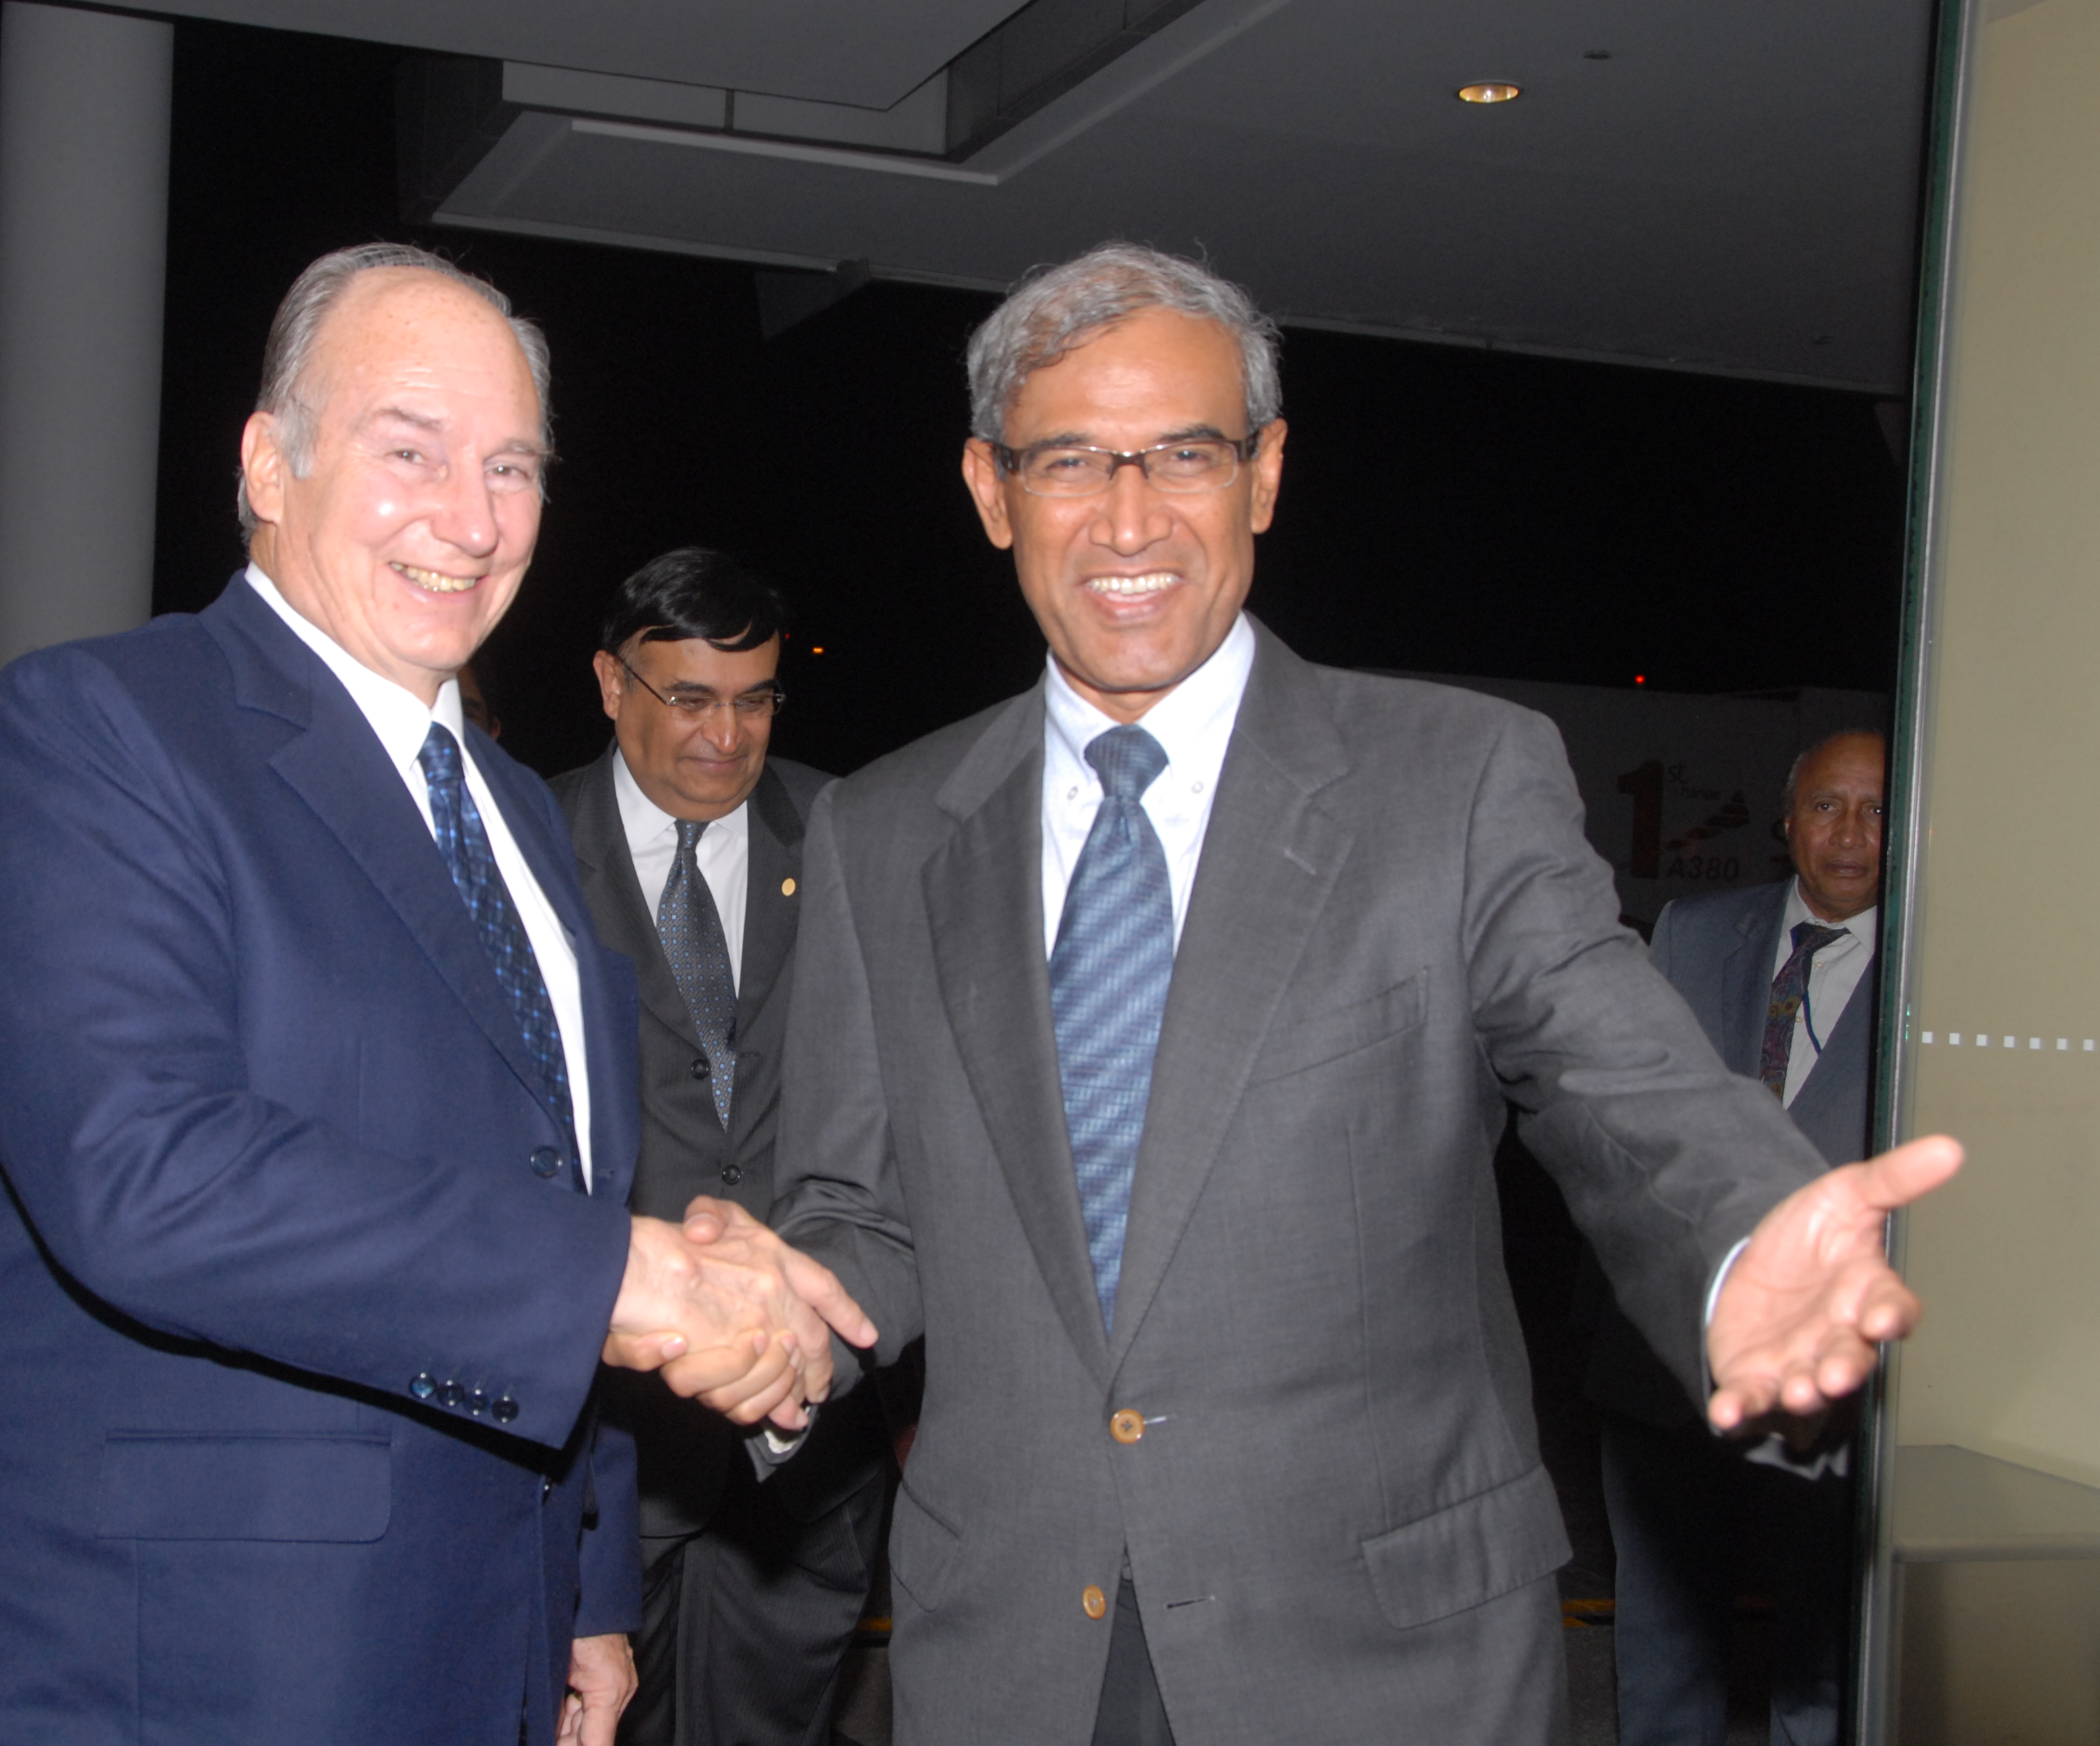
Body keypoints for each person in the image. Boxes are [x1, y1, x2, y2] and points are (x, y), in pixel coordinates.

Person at [737, 244, 1957, 1743]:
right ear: (992, 492)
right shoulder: (881, 828)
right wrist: (790, 1317)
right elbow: (861, 1207)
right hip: (1010, 1652)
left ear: (1264, 474)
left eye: (1184, 453)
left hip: (1380, 1657)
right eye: (1070, 461)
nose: (1129, 518)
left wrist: (1738, 1242)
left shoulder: (1451, 779)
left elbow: (1615, 1076)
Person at [0, 244, 867, 1746]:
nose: (470, 518)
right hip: (155, 1666)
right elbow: (144, 1177)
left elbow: (551, 1181)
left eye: (512, 466)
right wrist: (632, 1281)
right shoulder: (96, 731)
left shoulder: (512, 809)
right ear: (270, 463)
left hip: (475, 1631)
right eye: (411, 451)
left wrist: (581, 1588)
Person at [550, 550, 890, 1746]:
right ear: (610, 683)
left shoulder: (851, 830)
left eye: (754, 701)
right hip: (597, 1454)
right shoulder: (524, 843)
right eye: (688, 699)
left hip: (802, 1461)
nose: (724, 738)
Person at [1588, 728, 1889, 1746]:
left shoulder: (1939, 973)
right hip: (1669, 1367)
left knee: (1823, 1660)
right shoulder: (1694, 931)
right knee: (1663, 1646)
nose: (1851, 834)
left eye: (1877, 810)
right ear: (1787, 820)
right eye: (1827, 806)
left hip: (1827, 1382)